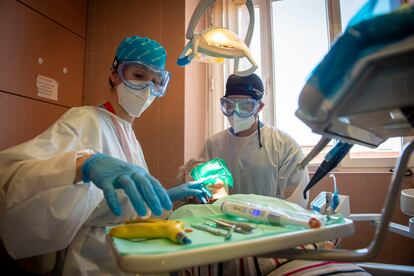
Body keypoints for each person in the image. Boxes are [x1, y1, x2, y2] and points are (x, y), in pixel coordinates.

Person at [0, 35, 209, 275]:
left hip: (130, 253)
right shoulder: (85, 119)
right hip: (95, 260)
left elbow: (125, 203)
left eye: (156, 81)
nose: (147, 89)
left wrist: (168, 196)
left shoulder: (128, 133)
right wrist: (83, 164)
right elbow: (10, 179)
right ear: (114, 74)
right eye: (139, 76)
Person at [201, 73, 309, 207]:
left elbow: (294, 205)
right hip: (223, 225)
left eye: (245, 106)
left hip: (271, 225)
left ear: (259, 107)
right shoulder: (213, 145)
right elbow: (206, 197)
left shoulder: (285, 146)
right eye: (229, 105)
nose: (235, 112)